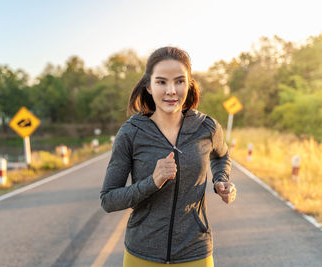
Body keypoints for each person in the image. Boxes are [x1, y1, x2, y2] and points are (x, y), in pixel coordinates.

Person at [100, 46, 236, 266]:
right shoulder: (131, 132)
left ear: (189, 83)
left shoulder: (206, 128)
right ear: (149, 86)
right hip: (142, 254)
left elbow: (221, 155)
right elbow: (108, 199)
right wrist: (152, 182)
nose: (171, 91)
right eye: (161, 82)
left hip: (196, 252)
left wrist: (221, 179)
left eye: (179, 81)